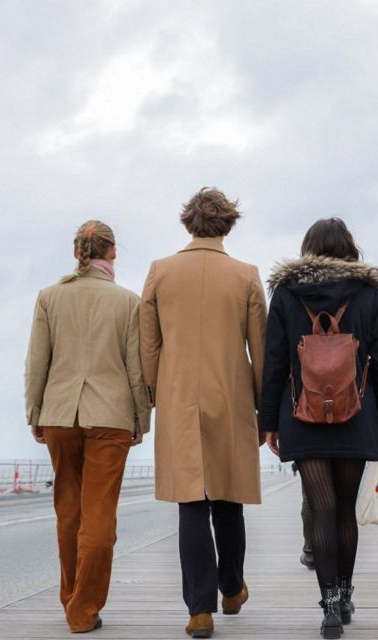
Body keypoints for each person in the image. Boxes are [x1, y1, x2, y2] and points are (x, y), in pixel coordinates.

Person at [140, 188, 267, 639]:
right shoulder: (247, 275)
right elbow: (261, 348)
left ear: (187, 224)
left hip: (178, 399)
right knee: (228, 498)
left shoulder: (160, 272)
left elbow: (148, 346)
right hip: (231, 397)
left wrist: (156, 395)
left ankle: (200, 611)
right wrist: (263, 409)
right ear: (228, 225)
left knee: (191, 503)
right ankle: (231, 589)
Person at [260, 218, 378, 640]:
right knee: (345, 513)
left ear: (307, 250)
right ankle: (347, 594)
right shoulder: (370, 294)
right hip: (356, 416)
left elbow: (275, 363)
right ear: (350, 249)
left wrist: (268, 422)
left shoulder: (285, 294)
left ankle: (330, 608)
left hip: (302, 416)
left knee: (321, 509)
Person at [25, 220, 150, 634]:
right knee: (99, 517)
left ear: (77, 251)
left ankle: (71, 599)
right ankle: (83, 610)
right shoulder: (128, 302)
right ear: (111, 252)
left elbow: (36, 363)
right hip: (111, 418)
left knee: (68, 511)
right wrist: (141, 418)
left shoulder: (49, 298)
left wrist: (35, 412)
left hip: (60, 415)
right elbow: (137, 369)